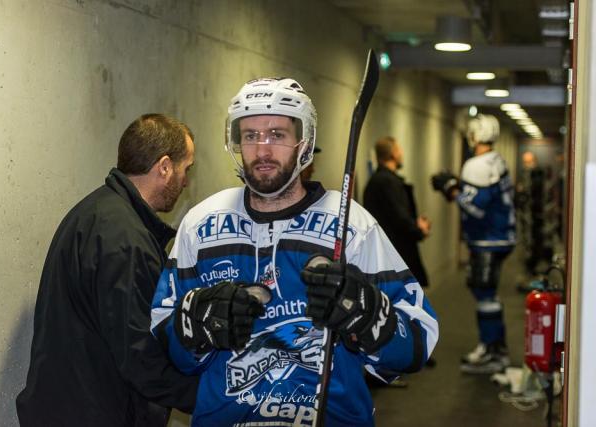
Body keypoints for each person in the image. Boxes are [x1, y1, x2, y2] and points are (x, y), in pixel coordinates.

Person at [150, 77, 438, 426]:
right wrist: (193, 326)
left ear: (304, 142)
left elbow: (419, 339)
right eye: (251, 135)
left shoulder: (350, 223)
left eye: (277, 134)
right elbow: (163, 339)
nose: (262, 150)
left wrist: (368, 316)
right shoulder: (201, 223)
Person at [16, 114, 199, 426]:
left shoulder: (96, 212)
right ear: (165, 166)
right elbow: (140, 356)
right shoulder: (125, 239)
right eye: (186, 170)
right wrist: (210, 396)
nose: (185, 181)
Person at [431, 114, 516, 374]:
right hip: (500, 237)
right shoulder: (496, 159)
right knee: (485, 294)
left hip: (488, 239)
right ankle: (495, 347)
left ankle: (492, 349)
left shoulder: (477, 164)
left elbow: (476, 208)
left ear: (476, 136)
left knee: (485, 295)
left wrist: (452, 189)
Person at [363, 136, 431, 289]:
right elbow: (399, 218)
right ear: (393, 154)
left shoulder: (381, 180)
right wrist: (418, 228)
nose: (401, 154)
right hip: (395, 257)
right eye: (399, 150)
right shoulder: (386, 182)